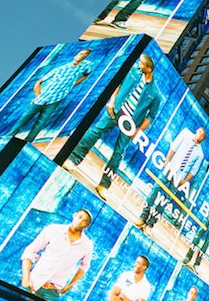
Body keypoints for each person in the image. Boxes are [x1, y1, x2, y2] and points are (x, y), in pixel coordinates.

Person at [68, 54, 161, 197]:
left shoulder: (155, 93)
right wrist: (111, 102)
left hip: (130, 124)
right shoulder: (132, 72)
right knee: (95, 132)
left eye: (141, 63)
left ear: (149, 69)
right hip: (116, 110)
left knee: (118, 153)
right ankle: (73, 159)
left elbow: (151, 116)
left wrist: (137, 131)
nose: (138, 64)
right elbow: (118, 85)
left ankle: (104, 185)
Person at [10, 48, 93, 142]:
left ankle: (28, 141)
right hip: (42, 98)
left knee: (41, 123)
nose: (82, 56)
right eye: (80, 54)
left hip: (56, 100)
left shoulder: (83, 67)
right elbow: (39, 82)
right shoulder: (60, 69)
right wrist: (38, 96)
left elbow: (87, 74)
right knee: (24, 118)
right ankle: (8, 137)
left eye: (84, 55)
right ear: (75, 55)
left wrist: (74, 84)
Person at [135, 127, 208, 232]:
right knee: (155, 189)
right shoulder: (186, 133)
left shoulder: (200, 154)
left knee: (165, 200)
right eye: (200, 132)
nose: (200, 135)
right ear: (197, 131)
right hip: (169, 169)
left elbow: (194, 170)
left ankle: (150, 224)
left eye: (203, 135)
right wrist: (167, 162)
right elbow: (174, 147)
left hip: (179, 178)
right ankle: (143, 217)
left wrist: (184, 180)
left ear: (203, 139)